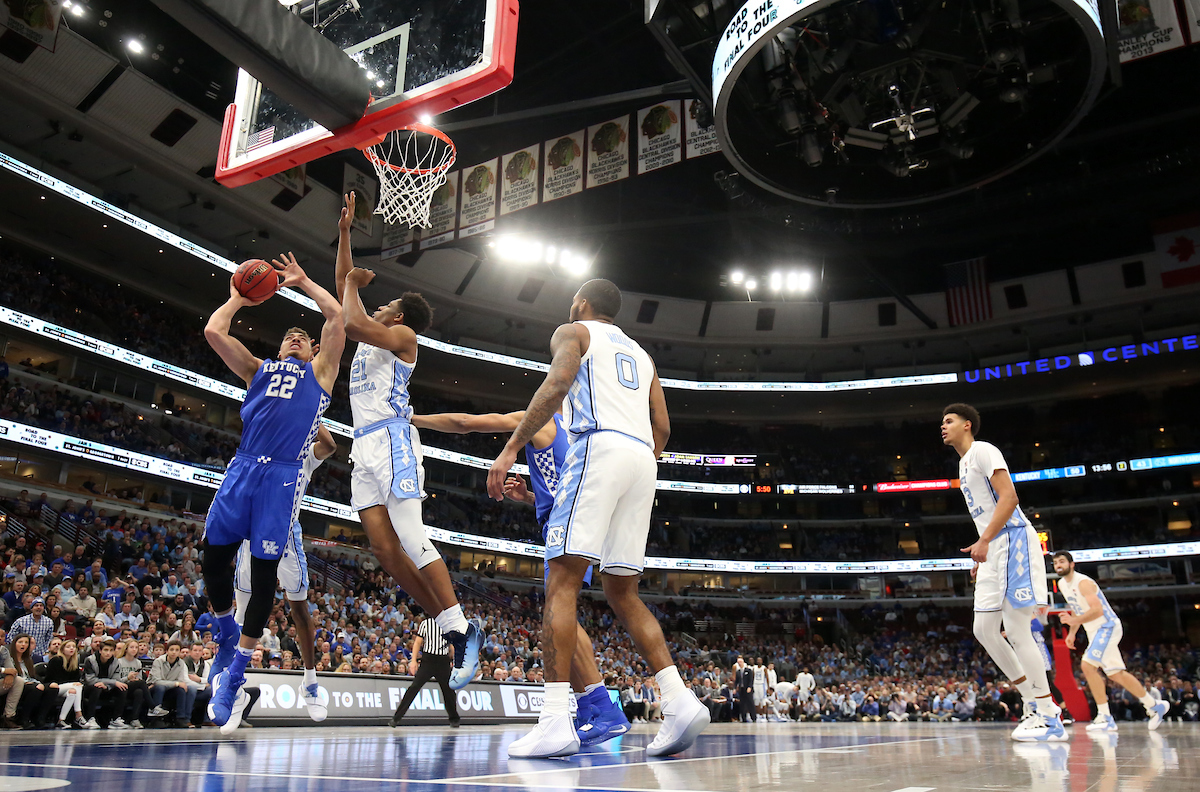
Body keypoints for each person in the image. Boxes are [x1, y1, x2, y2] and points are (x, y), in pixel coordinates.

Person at [487, 278, 708, 758]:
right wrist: (635, 464)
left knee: (561, 582)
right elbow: (663, 428)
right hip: (642, 458)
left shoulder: (574, 331)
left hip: (599, 444)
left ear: (582, 303)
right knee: (621, 590)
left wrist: (509, 448)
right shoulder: (643, 356)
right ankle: (679, 699)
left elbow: (557, 383)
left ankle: (554, 720)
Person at [412, 407, 630, 745]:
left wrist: (414, 419)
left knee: (560, 618)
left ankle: (604, 708)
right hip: (578, 522)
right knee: (561, 620)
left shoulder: (541, 420)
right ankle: (589, 708)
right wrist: (530, 497)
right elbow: (564, 489)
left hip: (567, 527)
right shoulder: (577, 432)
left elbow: (467, 423)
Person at [336, 203, 481, 690]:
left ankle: (462, 627)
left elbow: (353, 314)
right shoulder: (372, 334)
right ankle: (445, 619)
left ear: (396, 314)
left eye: (384, 304)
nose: (377, 307)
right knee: (384, 548)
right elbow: (344, 295)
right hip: (365, 446)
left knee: (413, 539)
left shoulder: (401, 333)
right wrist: (343, 233)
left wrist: (355, 287)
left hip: (394, 442)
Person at [201, 252, 345, 735]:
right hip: (243, 467)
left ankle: (236, 674)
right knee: (212, 561)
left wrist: (304, 281)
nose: (296, 337)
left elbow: (336, 318)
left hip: (282, 481)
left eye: (302, 337)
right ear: (280, 348)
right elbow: (214, 333)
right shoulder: (257, 369)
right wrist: (237, 297)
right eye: (289, 335)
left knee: (266, 583)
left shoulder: (319, 375)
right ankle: (225, 637)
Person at [941, 403, 1065, 742]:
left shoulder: (983, 450)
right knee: (984, 629)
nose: (943, 426)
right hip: (994, 547)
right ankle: (1031, 701)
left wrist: (985, 540)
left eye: (949, 421)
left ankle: (1048, 712)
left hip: (1012, 539)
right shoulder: (962, 462)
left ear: (968, 425)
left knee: (1017, 629)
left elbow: (1009, 497)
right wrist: (983, 550)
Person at [232, 424, 337, 723]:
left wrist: (308, 410)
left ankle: (310, 682)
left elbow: (329, 445)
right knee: (242, 615)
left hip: (287, 536)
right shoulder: (260, 451)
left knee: (300, 611)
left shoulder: (304, 455)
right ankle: (232, 684)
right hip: (252, 535)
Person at [1052, 551, 1170, 731]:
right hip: (1094, 631)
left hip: (1106, 626)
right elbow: (1076, 609)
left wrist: (1074, 622)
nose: (1058, 565)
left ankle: (1105, 716)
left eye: (1062, 561)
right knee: (1116, 674)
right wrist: (1072, 633)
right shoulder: (1062, 584)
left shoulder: (1083, 582)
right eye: (1055, 563)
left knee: (1087, 666)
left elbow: (1097, 610)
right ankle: (1154, 705)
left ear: (1072, 564)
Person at [388, 613, 459, 727]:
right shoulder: (426, 623)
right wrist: (414, 660)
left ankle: (454, 718)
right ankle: (396, 718)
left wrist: (455, 659)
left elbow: (452, 645)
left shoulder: (449, 626)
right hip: (428, 660)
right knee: (414, 687)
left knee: (449, 691)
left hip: (443, 661)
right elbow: (418, 642)